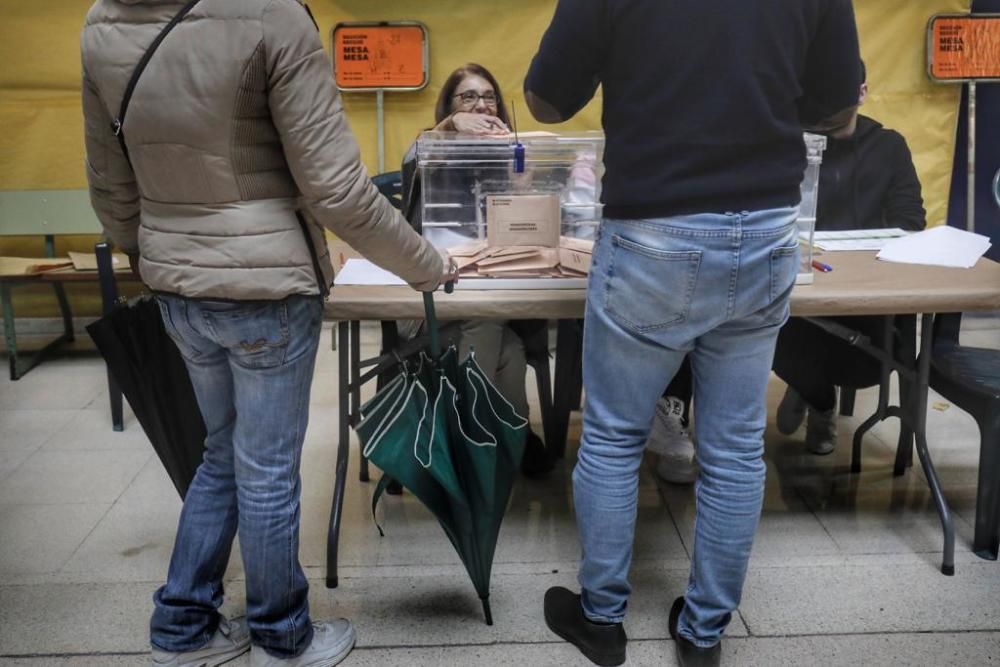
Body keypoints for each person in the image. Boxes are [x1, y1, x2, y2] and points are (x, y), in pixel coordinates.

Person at [81, 2, 454, 666]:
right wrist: (426, 265)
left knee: (222, 453)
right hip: (265, 289)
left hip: (178, 286)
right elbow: (337, 190)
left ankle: (181, 625)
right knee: (267, 469)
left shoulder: (103, 22)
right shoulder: (269, 15)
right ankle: (282, 637)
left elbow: (111, 187)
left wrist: (160, 258)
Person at [524, 2, 862, 665]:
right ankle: (704, 631)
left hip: (654, 225)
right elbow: (839, 112)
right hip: (766, 226)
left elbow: (546, 102)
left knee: (615, 434)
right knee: (734, 446)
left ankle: (601, 618)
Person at [400, 63, 555, 477]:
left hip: (490, 289)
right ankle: (503, 439)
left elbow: (529, 236)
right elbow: (412, 156)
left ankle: (479, 436)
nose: (480, 105)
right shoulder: (429, 149)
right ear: (449, 106)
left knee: (510, 350)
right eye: (467, 96)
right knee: (488, 322)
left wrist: (522, 183)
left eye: (488, 97)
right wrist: (451, 126)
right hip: (428, 294)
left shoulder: (504, 154)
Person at [773, 61, 927, 454]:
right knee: (769, 326)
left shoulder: (889, 146)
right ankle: (819, 399)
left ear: (862, 92)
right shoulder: (791, 147)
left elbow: (910, 221)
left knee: (873, 352)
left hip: (867, 290)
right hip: (803, 285)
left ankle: (811, 389)